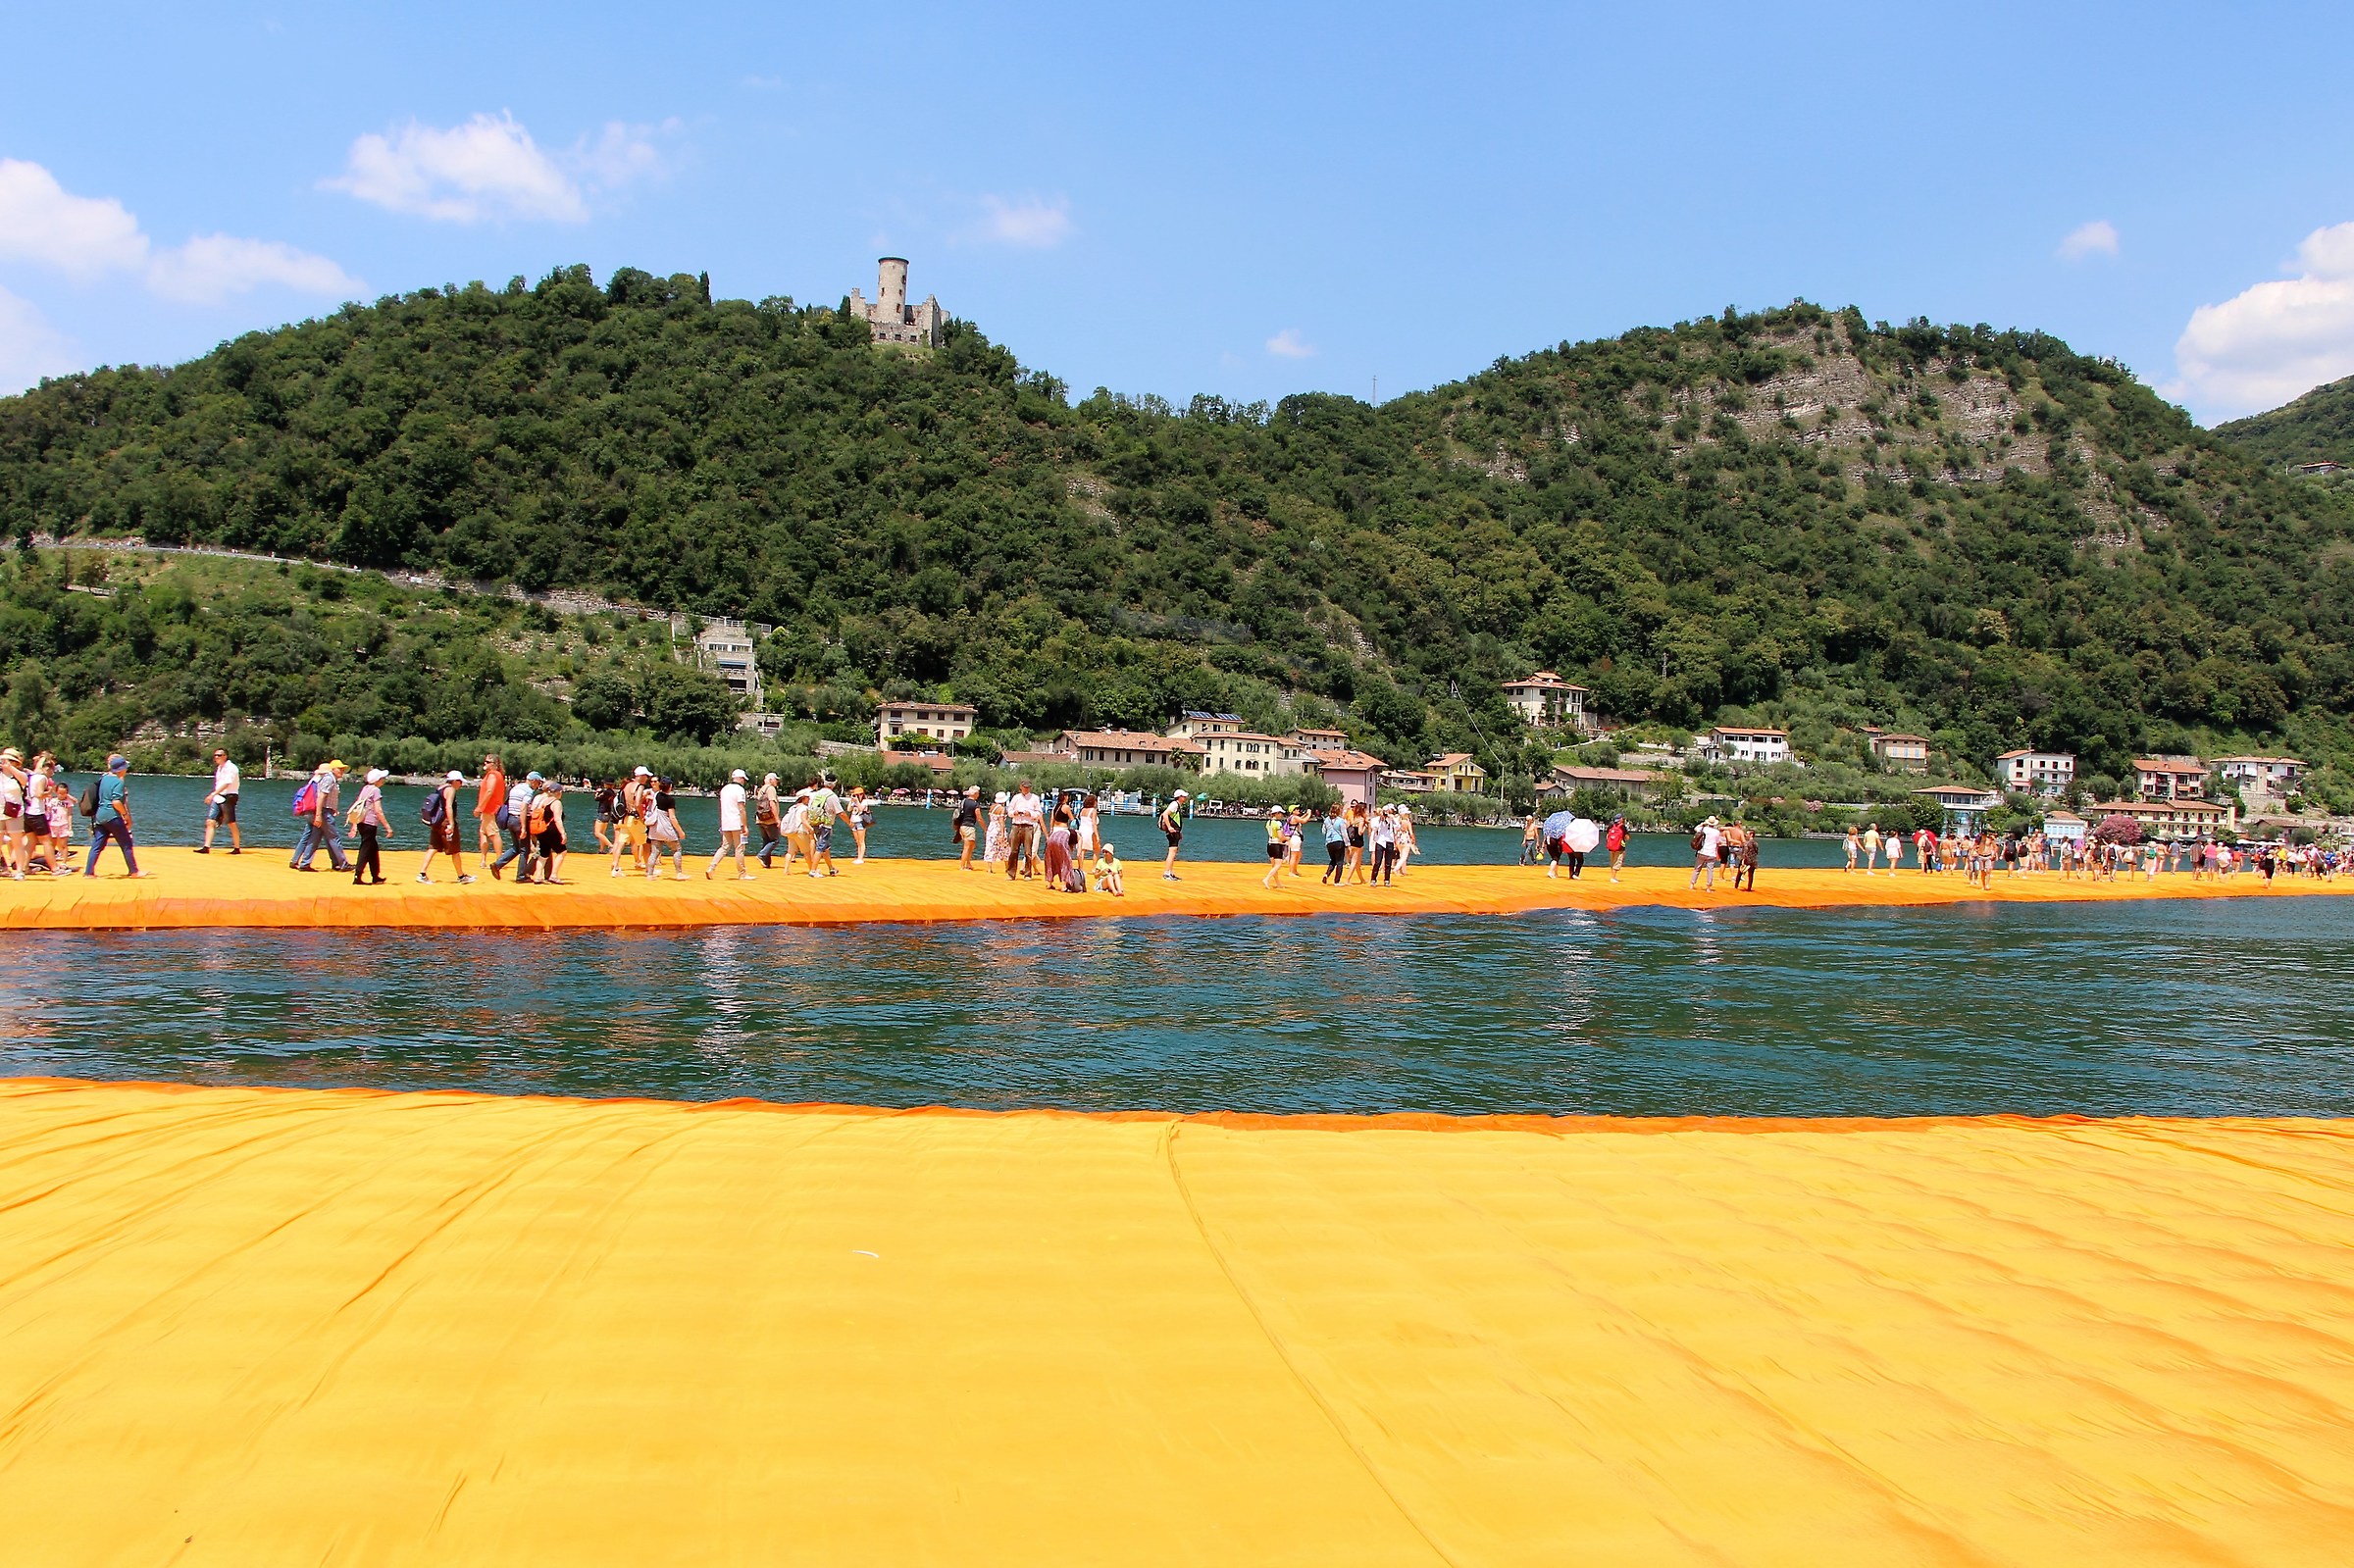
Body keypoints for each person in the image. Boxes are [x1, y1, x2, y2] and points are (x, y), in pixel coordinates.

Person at [83, 755, 145, 877]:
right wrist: (125, 815)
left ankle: (88, 872)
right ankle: (134, 871)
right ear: (121, 769)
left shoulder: (104, 778)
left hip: (100, 815)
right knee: (126, 843)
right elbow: (116, 802)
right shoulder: (118, 782)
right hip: (112, 816)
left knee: (97, 845)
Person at [291, 760, 353, 874]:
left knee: (314, 837)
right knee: (334, 837)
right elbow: (321, 797)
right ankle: (343, 864)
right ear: (333, 769)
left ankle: (305, 863)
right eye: (340, 768)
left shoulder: (327, 779)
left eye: (343, 769)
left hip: (323, 811)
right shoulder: (329, 779)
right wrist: (319, 815)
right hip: (324, 812)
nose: (342, 771)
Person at [417, 770, 474, 884]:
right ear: (455, 781)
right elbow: (448, 807)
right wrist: (451, 823)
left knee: (432, 847)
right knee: (455, 850)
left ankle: (422, 873)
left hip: (436, 823)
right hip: (445, 822)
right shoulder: (450, 790)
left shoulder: (440, 788)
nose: (461, 785)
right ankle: (461, 876)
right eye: (460, 782)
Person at [490, 771, 541, 882]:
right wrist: (523, 827)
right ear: (533, 781)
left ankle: (498, 864)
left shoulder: (516, 788)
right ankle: (521, 876)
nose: (538, 786)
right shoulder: (528, 791)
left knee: (516, 847)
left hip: (510, 819)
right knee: (524, 850)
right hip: (519, 820)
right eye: (538, 783)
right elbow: (523, 808)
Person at [347, 768, 390, 885]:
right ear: (377, 780)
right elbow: (378, 810)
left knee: (372, 848)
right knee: (366, 849)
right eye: (382, 778)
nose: (384, 780)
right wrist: (387, 827)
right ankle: (358, 876)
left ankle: (375, 876)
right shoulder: (375, 791)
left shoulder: (365, 789)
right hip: (370, 824)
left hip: (362, 822)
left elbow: (358, 806)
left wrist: (355, 825)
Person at [708, 768, 753, 880]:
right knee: (739, 848)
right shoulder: (739, 790)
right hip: (737, 823)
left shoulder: (724, 789)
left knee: (724, 846)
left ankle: (711, 868)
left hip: (726, 822)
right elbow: (741, 809)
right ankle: (742, 873)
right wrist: (745, 825)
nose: (744, 781)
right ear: (740, 778)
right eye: (743, 779)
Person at [198, 747, 242, 854]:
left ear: (225, 756)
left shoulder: (231, 768)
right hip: (218, 796)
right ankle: (206, 847)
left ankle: (237, 848)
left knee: (231, 822)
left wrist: (212, 794)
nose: (216, 757)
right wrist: (215, 794)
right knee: (210, 821)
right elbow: (219, 784)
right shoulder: (219, 768)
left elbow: (227, 783)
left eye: (219, 755)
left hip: (228, 796)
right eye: (215, 755)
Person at [807, 772, 850, 877]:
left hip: (815, 822)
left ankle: (831, 868)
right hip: (825, 825)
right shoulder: (832, 796)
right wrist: (850, 823)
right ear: (834, 784)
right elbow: (840, 812)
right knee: (821, 847)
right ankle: (813, 871)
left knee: (825, 847)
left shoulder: (817, 793)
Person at [611, 767, 651, 877]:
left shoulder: (627, 785)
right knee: (646, 843)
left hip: (625, 818)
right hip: (634, 818)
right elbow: (637, 803)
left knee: (621, 843)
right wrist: (642, 817)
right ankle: (649, 869)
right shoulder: (640, 786)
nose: (647, 778)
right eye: (646, 776)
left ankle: (615, 867)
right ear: (641, 776)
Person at [529, 777, 570, 884]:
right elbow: (557, 819)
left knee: (543, 854)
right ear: (559, 792)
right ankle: (554, 875)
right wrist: (563, 833)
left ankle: (538, 876)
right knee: (562, 852)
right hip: (552, 830)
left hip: (542, 831)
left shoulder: (545, 801)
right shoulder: (556, 803)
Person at [645, 777, 688, 879]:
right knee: (676, 849)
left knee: (655, 852)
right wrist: (680, 832)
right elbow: (672, 817)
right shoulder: (670, 800)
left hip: (655, 827)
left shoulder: (657, 795)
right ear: (670, 786)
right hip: (665, 827)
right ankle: (679, 873)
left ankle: (649, 874)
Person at [0, 748, 29, 879]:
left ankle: (20, 871)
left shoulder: (18, 775)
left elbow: (25, 781)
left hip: (14, 811)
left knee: (17, 842)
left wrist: (10, 768)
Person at [1007, 781, 1045, 880]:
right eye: (1024, 787)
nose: (1026, 789)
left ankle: (1027, 874)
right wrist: (1014, 813)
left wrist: (1030, 814)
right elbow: (1009, 811)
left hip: (1028, 826)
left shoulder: (1035, 798)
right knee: (1013, 851)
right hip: (1016, 825)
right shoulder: (1016, 798)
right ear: (1021, 787)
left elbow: (1039, 813)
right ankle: (1011, 874)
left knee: (1028, 851)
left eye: (1028, 787)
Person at [475, 754, 507, 861]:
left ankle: (499, 860)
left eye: (488, 762)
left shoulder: (493, 775)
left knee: (493, 834)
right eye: (485, 761)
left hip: (491, 808)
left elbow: (489, 791)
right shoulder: (494, 775)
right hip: (487, 809)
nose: (485, 763)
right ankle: (483, 860)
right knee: (483, 832)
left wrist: (480, 807)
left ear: (494, 764)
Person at [1158, 789, 1189, 880]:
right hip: (1172, 831)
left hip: (1175, 831)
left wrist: (1179, 832)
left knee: (1174, 851)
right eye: (1183, 796)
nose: (1185, 798)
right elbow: (1165, 814)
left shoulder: (1177, 805)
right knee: (1172, 852)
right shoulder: (1174, 804)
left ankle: (1170, 872)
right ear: (1179, 797)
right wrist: (1170, 827)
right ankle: (1167, 873)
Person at [755, 774, 785, 868]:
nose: (777, 782)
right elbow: (772, 803)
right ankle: (761, 855)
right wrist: (777, 819)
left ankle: (766, 863)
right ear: (771, 780)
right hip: (769, 819)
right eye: (776, 780)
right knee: (775, 840)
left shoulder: (761, 789)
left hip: (761, 818)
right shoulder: (771, 789)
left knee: (766, 840)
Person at [951, 784, 982, 870]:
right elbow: (979, 818)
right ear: (975, 793)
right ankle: (962, 866)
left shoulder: (964, 801)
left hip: (962, 826)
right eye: (978, 793)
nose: (978, 795)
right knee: (967, 847)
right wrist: (985, 828)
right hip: (969, 826)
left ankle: (968, 863)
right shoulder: (975, 804)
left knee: (972, 845)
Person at [1689, 816, 1721, 890]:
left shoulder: (1704, 829)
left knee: (1697, 869)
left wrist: (1702, 824)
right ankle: (1708, 887)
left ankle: (1692, 884)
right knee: (1710, 870)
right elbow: (1718, 842)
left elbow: (1696, 828)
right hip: (1711, 853)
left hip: (1702, 851)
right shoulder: (1717, 832)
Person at [1320, 801, 1350, 884]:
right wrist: (1347, 844)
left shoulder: (1326, 820)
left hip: (1329, 842)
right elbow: (1344, 833)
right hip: (1338, 841)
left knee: (1333, 860)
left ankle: (1327, 874)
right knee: (1340, 862)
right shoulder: (1341, 821)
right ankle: (1337, 881)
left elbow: (1323, 831)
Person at [1261, 808, 1289, 889]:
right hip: (1277, 845)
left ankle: (1278, 883)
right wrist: (1287, 839)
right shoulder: (1278, 823)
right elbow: (1280, 837)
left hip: (1270, 845)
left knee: (1274, 866)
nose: (1282, 815)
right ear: (1276, 813)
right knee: (1278, 865)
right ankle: (1266, 879)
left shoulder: (1269, 823)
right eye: (1280, 813)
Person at [847, 785, 874, 864]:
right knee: (857, 841)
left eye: (859, 794)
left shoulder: (864, 801)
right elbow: (849, 809)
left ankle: (861, 858)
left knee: (861, 841)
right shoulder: (854, 801)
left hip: (860, 822)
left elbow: (861, 809)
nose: (858, 796)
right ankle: (858, 856)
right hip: (853, 821)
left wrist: (857, 801)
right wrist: (851, 800)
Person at [984, 792, 1009, 867]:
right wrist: (1002, 833)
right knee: (1005, 847)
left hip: (991, 828)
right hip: (998, 828)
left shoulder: (992, 807)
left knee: (990, 846)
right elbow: (1001, 821)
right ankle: (1007, 867)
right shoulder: (1002, 809)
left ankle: (989, 867)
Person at [1393, 806, 1418, 878]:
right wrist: (1413, 840)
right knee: (1404, 856)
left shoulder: (1398, 821)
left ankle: (1399, 870)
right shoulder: (1407, 822)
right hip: (1405, 839)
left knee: (1401, 855)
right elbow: (1411, 833)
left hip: (1398, 839)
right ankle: (1396, 869)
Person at [1606, 814, 1627, 882]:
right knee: (1618, 861)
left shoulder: (1611, 826)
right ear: (1621, 819)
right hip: (1620, 847)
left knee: (1612, 861)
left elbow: (1607, 836)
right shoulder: (1622, 827)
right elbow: (1627, 837)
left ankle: (1612, 876)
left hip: (1611, 846)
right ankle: (1613, 877)